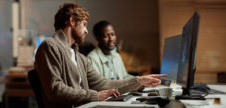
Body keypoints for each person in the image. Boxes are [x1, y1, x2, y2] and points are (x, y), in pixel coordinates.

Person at [34, 3, 166, 108]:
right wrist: (95, 96)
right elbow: (55, 90)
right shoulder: (50, 46)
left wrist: (138, 81)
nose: (86, 30)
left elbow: (103, 83)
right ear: (72, 21)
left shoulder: (80, 58)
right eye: (84, 25)